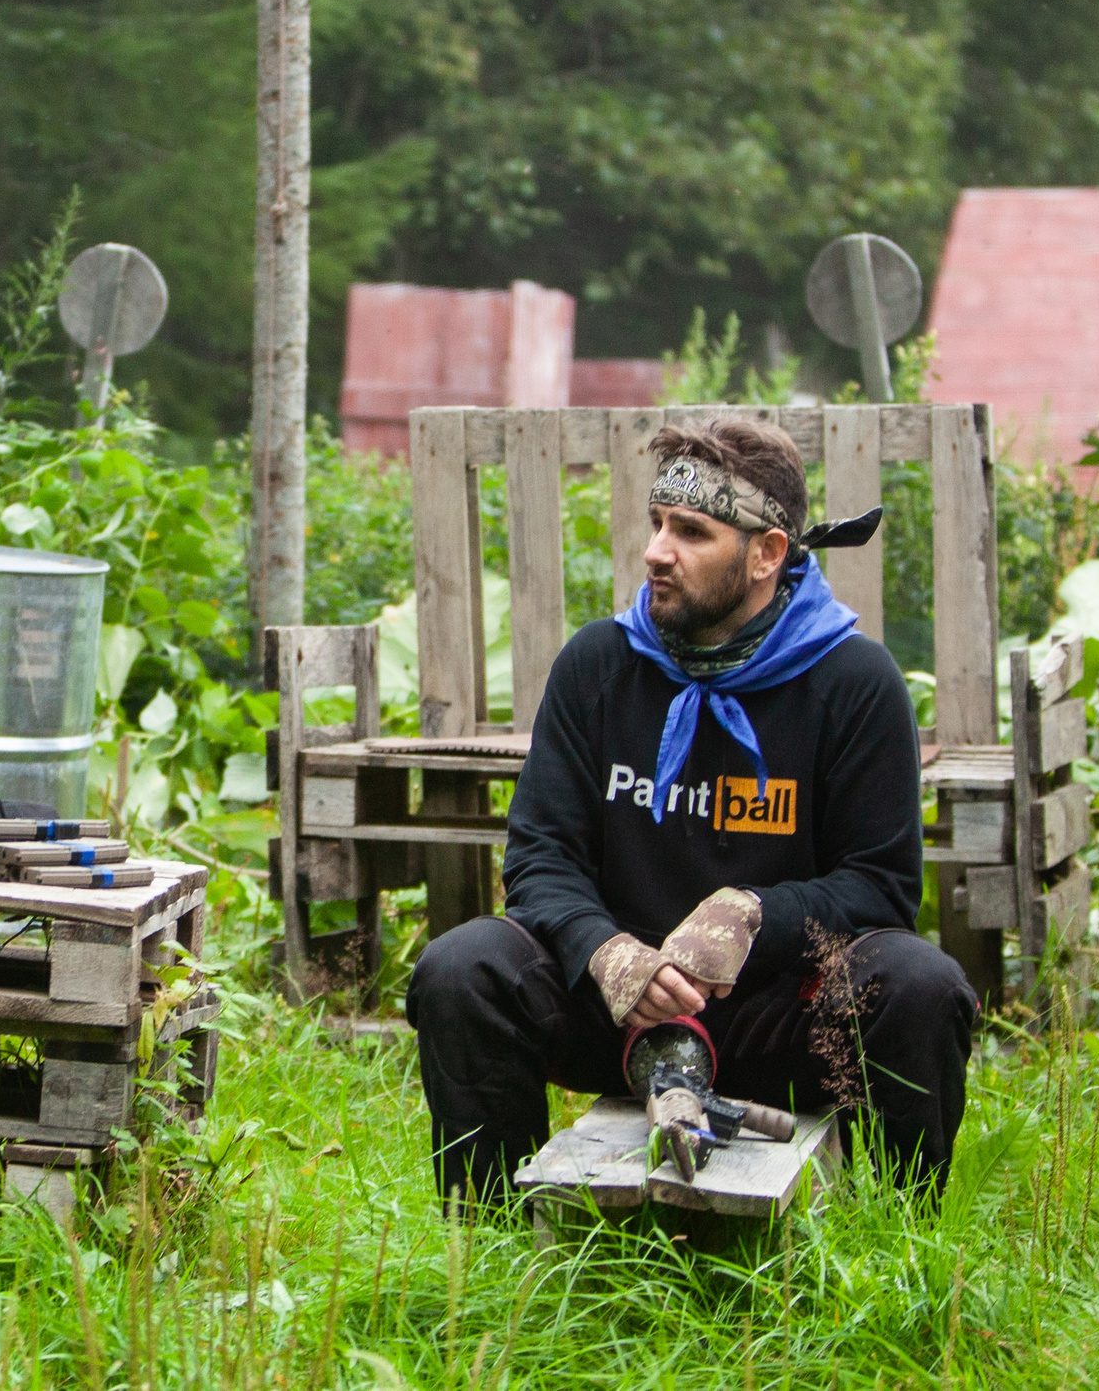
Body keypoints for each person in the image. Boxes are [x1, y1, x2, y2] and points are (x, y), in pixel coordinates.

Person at [406, 416, 977, 1199]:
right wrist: (606, 953)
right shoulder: (597, 666)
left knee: (919, 983)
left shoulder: (854, 682)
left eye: (691, 532)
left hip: (777, 1016)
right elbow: (541, 857)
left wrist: (753, 916)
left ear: (767, 554)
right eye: (657, 524)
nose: (656, 551)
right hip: (617, 1015)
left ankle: (901, 1245)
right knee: (461, 968)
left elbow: (880, 889)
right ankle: (489, 1247)